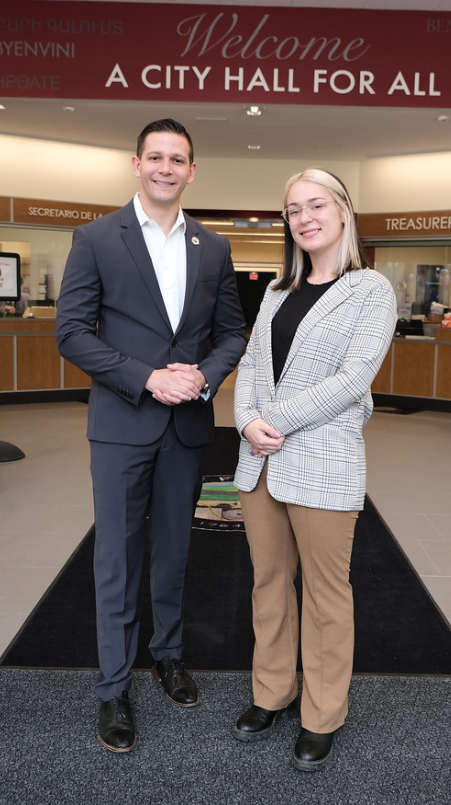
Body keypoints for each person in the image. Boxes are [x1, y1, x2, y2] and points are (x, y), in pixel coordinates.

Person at [56, 118, 246, 753]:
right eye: (156, 157)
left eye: (179, 159)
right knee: (118, 556)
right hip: (120, 424)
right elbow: (73, 332)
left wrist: (204, 376)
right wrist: (146, 378)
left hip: (187, 427)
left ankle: (166, 656)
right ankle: (113, 686)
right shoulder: (95, 238)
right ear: (136, 163)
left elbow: (232, 335)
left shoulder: (213, 247)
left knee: (175, 552)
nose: (167, 168)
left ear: (193, 170)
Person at [232, 168, 397, 771]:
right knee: (268, 585)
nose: (304, 218)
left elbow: (353, 380)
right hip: (259, 461)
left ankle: (322, 714)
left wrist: (274, 418)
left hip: (323, 462)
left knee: (328, 596)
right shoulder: (277, 290)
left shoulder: (371, 290)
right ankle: (272, 692)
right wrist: (246, 419)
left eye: (316, 205)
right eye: (293, 209)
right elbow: (251, 365)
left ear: (344, 210)